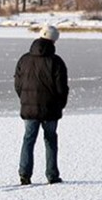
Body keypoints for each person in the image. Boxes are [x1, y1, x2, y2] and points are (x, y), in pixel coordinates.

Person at [14, 25, 69, 185]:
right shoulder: (56, 61)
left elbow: (18, 84)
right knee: (50, 139)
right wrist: (60, 105)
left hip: (29, 107)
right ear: (54, 41)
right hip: (50, 109)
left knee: (28, 139)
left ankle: (24, 175)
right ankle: (52, 176)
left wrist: (24, 99)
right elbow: (62, 88)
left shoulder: (24, 59)